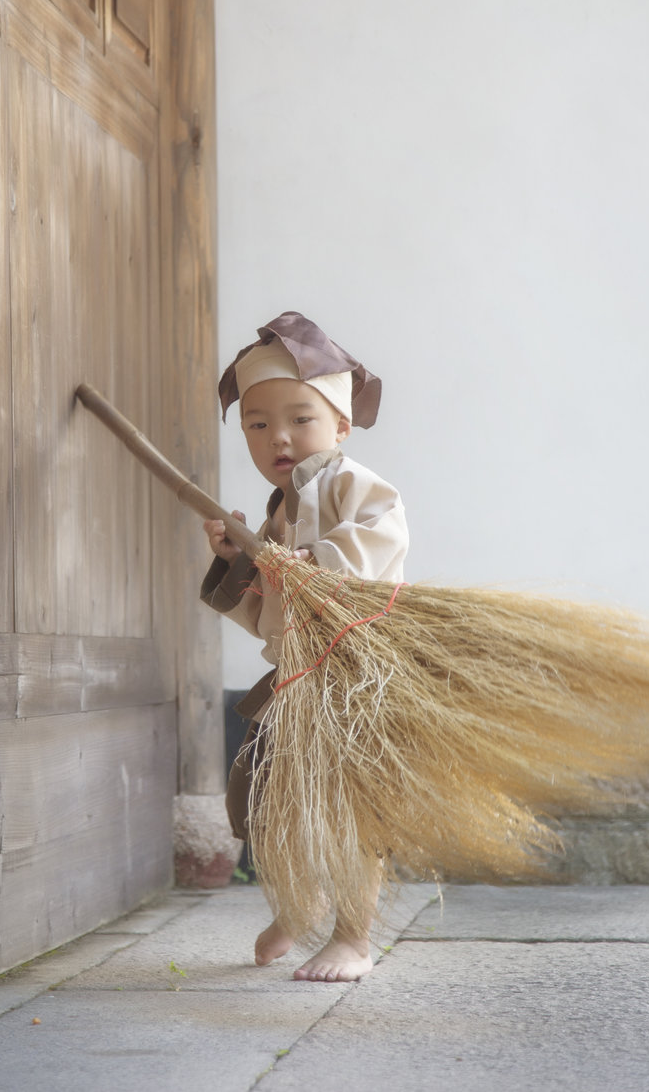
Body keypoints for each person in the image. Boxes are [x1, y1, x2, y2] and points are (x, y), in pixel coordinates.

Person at [200, 311, 408, 982]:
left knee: (349, 809)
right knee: (269, 799)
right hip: (295, 681)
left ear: (340, 426)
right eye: (257, 424)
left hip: (352, 676)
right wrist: (242, 560)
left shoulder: (353, 486)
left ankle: (353, 936)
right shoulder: (278, 511)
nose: (278, 436)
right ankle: (298, 902)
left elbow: (377, 543)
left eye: (300, 418)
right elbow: (268, 616)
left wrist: (292, 560)